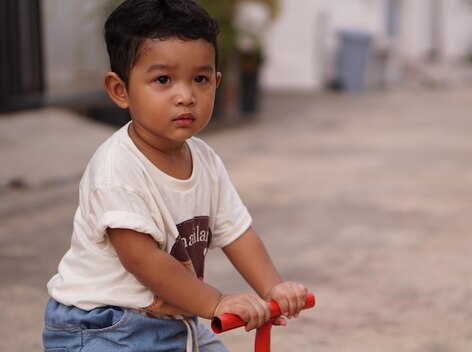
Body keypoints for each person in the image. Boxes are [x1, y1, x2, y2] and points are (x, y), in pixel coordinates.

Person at [42, 0, 308, 351]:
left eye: (199, 79)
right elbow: (144, 260)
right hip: (106, 326)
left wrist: (272, 287)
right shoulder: (116, 168)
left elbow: (237, 232)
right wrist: (216, 302)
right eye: (163, 80)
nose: (185, 96)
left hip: (176, 316)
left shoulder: (206, 160)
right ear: (120, 90)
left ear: (216, 82)